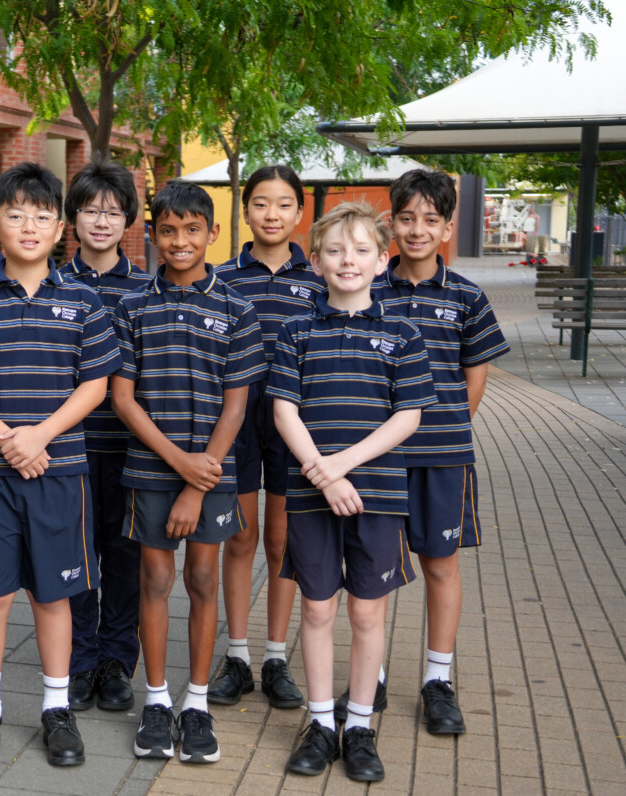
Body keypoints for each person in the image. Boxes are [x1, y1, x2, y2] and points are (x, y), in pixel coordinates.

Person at [0, 162, 122, 769]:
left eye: (42, 216)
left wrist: (39, 436)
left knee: (53, 596)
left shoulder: (85, 302)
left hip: (60, 471)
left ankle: (56, 708)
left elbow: (95, 386)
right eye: (15, 215)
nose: (30, 226)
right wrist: (8, 439)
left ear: (60, 228)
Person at [269, 201, 436, 782]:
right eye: (335, 251)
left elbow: (408, 416)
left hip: (379, 494)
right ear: (315, 261)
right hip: (311, 494)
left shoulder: (404, 334)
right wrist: (323, 474)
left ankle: (359, 726)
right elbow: (284, 411)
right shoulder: (295, 332)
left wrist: (341, 465)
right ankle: (320, 723)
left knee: (367, 612)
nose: (348, 260)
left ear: (381, 260)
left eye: (361, 250)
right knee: (317, 608)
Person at [112, 181, 266, 764]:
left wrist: (199, 483)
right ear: (152, 235)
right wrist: (181, 467)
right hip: (152, 470)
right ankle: (156, 700)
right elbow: (123, 400)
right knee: (155, 580)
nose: (180, 241)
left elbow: (236, 407)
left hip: (213, 471)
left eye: (193, 230)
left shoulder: (237, 309)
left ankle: (196, 703)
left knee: (203, 578)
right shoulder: (132, 307)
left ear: (213, 233)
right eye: (169, 230)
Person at [361, 169, 509, 735]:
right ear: (392, 225)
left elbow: (474, 380)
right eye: (406, 218)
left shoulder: (467, 296)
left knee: (440, 565)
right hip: (377, 459)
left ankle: (438, 680)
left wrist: (440, 430)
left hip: (442, 457)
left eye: (430, 219)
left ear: (447, 228)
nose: (417, 229)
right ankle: (370, 675)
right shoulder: (369, 289)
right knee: (373, 566)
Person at [209, 164, 322, 709]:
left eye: (283, 204)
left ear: (299, 212)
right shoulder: (221, 277)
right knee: (240, 537)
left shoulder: (318, 280)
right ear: (245, 210)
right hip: (235, 419)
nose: (271, 214)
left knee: (281, 540)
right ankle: (237, 655)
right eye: (260, 203)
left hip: (293, 421)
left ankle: (276, 657)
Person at [59, 157, 152, 713]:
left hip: (130, 447)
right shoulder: (52, 284)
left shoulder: (146, 288)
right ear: (72, 218)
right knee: (74, 552)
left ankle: (118, 658)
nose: (101, 221)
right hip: (67, 446)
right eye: (91, 210)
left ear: (128, 221)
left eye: (113, 212)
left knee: (123, 554)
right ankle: (79, 657)